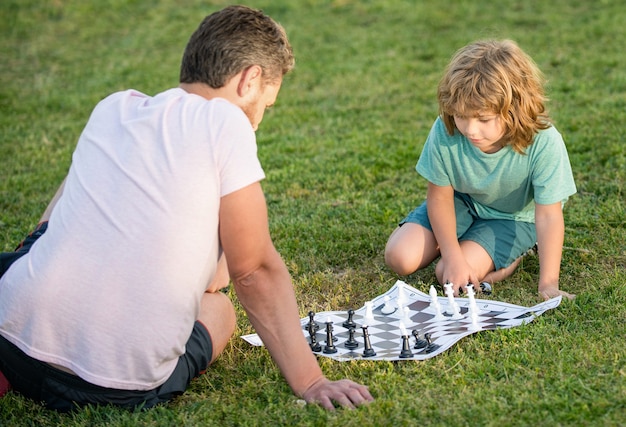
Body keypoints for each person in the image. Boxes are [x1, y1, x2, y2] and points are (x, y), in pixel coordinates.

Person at [0, 5, 373, 412]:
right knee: (219, 310)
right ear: (250, 80)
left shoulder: (114, 107)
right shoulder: (228, 123)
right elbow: (252, 272)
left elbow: (54, 221)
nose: (261, 120)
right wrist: (312, 380)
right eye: (267, 105)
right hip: (114, 387)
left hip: (12, 342)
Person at [384, 39, 577, 302]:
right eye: (461, 116)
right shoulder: (446, 129)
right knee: (400, 257)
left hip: (514, 218)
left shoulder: (543, 142)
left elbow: (548, 217)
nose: (470, 130)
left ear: (515, 109)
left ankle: (513, 257)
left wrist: (548, 284)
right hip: (463, 203)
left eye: (483, 119)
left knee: (447, 276)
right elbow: (439, 197)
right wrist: (452, 254)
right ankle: (462, 243)